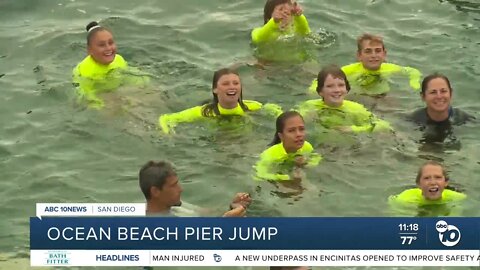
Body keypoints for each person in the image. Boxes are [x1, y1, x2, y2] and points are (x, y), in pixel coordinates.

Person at [159, 68, 283, 134]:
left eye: (236, 83)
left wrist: (281, 119)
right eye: (225, 84)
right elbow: (166, 118)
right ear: (215, 89)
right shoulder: (204, 112)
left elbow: (272, 108)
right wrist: (169, 133)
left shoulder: (250, 107)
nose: (232, 87)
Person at [309, 33, 422, 96]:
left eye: (377, 51)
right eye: (368, 51)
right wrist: (317, 93)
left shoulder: (389, 68)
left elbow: (413, 71)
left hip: (382, 95)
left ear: (384, 54)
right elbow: (320, 81)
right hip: (358, 96)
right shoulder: (348, 71)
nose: (374, 55)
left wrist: (414, 84)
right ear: (359, 55)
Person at [73, 21, 148, 109]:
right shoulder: (84, 70)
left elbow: (133, 76)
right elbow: (84, 96)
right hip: (101, 97)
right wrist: (103, 105)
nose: (108, 48)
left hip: (119, 91)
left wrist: (144, 86)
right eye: (102, 45)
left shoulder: (118, 59)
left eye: (111, 43)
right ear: (90, 50)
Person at [139, 160, 251, 217]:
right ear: (155, 191)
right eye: (173, 186)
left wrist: (232, 207)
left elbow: (205, 213)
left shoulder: (175, 206)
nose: (180, 189)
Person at [299, 65, 391, 133]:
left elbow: (383, 126)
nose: (337, 90)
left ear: (346, 89)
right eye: (330, 86)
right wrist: (307, 118)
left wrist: (353, 129)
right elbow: (289, 123)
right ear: (320, 92)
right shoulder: (309, 106)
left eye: (341, 85)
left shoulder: (356, 110)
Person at [409, 73, 475, 143]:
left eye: (443, 91)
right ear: (423, 97)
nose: (439, 96)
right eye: (433, 92)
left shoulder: (464, 120)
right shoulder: (412, 120)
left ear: (451, 93)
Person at [255, 111, 321, 181]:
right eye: (291, 131)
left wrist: (307, 163)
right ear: (281, 136)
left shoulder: (307, 146)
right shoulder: (269, 155)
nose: (298, 134)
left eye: (301, 129)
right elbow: (259, 175)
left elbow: (316, 157)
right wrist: (285, 177)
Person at [389, 161, 466, 208]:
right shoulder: (404, 200)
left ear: (446, 182)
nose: (433, 182)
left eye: (438, 177)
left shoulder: (458, 199)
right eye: (426, 178)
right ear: (418, 184)